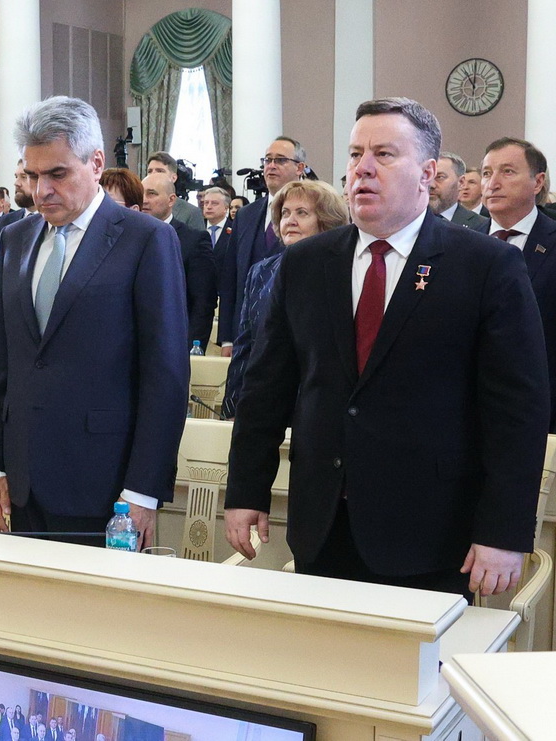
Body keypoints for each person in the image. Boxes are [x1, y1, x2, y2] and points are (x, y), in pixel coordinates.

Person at [225, 97, 549, 598]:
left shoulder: (485, 265)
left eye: (384, 155)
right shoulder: (306, 263)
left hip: (433, 534)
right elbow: (266, 388)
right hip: (323, 526)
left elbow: (517, 410)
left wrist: (503, 532)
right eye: (356, 154)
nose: (363, 169)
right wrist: (246, 489)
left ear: (427, 173)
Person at [0, 96, 188, 548]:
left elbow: (165, 375)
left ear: (95, 164)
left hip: (107, 483)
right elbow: (0, 360)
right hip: (23, 478)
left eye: (57, 174)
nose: (41, 191)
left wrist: (143, 490)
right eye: (32, 175)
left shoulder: (146, 239)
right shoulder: (15, 237)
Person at [222, 180, 348, 418]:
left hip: (321, 408)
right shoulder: (261, 271)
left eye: (302, 213)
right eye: (286, 213)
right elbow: (245, 345)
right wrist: (233, 406)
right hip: (265, 403)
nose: (290, 220)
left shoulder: (343, 272)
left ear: (326, 221)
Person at [481, 136, 556, 432]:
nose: (492, 183)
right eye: (487, 173)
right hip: (468, 414)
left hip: (540, 413)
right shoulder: (458, 243)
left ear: (537, 182)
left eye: (507, 172)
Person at [218, 137, 307, 356]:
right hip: (245, 337)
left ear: (300, 168)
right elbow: (230, 277)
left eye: (280, 160)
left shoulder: (312, 214)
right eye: (267, 160)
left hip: (290, 336)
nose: (271, 166)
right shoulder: (246, 215)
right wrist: (227, 337)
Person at [140, 174, 217, 350]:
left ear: (171, 200)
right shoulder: (129, 236)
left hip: (174, 342)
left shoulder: (193, 240)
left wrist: (192, 347)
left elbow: (203, 302)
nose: (144, 200)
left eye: (152, 194)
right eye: (141, 193)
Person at [430, 152, 489, 230]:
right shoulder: (413, 220)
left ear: (461, 182)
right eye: (427, 176)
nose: (431, 184)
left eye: (440, 177)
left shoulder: (481, 225)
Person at [146, 152, 206, 229]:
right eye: (150, 171)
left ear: (173, 178)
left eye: (160, 171)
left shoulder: (191, 213)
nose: (153, 174)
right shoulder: (139, 206)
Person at [199, 186, 233, 256]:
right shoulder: (197, 227)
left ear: (226, 207)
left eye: (214, 203)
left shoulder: (235, 229)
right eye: (206, 203)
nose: (209, 207)